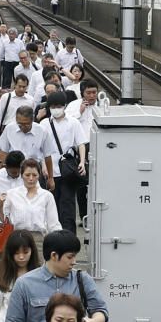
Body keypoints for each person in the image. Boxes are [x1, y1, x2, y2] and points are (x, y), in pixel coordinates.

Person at [41, 92, 86, 233]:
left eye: (59, 106)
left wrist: (82, 162)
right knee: (51, 206)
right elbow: (40, 148)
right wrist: (43, 167)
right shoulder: (44, 124)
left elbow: (81, 144)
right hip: (50, 171)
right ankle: (53, 236)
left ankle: (69, 236)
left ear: (64, 106)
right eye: (53, 106)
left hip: (67, 171)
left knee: (68, 206)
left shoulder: (73, 122)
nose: (56, 109)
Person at [0, 158, 62, 257]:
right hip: (17, 239)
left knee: (38, 269)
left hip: (38, 240)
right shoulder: (11, 194)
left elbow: (53, 223)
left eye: (34, 175)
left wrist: (59, 244)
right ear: (21, 175)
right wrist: (1, 205)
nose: (31, 178)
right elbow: (4, 220)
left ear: (39, 176)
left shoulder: (46, 196)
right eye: (27, 175)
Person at [0, 106, 56, 191]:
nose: (23, 127)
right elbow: (3, 153)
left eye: (26, 124)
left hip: (34, 170)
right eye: (19, 124)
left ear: (32, 120)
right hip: (15, 170)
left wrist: (51, 178)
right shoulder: (10, 128)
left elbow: (48, 156)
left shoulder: (41, 131)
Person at [66, 78, 99, 223]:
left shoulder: (102, 106)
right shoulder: (73, 105)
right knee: (82, 183)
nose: (92, 96)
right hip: (81, 148)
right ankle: (84, 215)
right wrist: (80, 111)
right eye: (88, 93)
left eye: (94, 93)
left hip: (99, 146)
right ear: (82, 93)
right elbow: (67, 124)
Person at [0, 75, 35, 141]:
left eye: (24, 87)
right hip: (7, 129)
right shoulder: (6, 97)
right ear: (15, 85)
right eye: (19, 86)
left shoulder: (30, 100)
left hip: (24, 130)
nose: (21, 89)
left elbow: (32, 117)